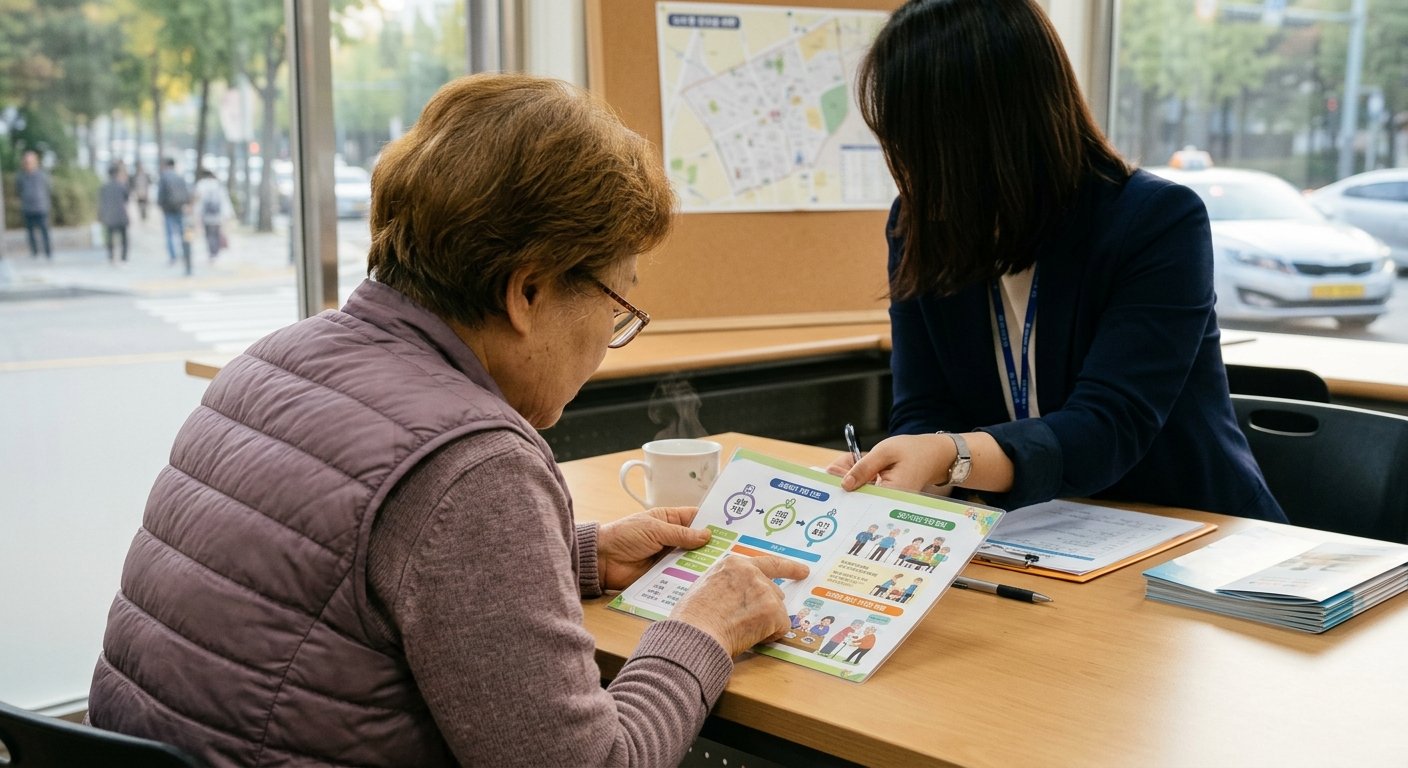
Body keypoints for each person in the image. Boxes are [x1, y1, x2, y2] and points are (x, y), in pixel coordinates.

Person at [87, 74, 809, 767]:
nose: (606, 340)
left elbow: (347, 571)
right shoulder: (473, 465)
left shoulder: (274, 362)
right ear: (528, 291)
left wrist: (578, 553)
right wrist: (702, 629)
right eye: (617, 305)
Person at [828, 0, 1286, 523]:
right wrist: (910, 465)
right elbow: (923, 407)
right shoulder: (920, 223)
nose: (904, 167)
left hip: (1191, 529)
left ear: (986, 133)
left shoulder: (1156, 221)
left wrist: (950, 456)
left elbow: (1107, 428)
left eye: (918, 145)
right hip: (1030, 532)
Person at [15, 150, 51, 259]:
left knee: (44, 230)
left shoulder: (42, 175)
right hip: (27, 207)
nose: (28, 164)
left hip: (41, 207)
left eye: (30, 161)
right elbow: (19, 190)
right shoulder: (21, 176)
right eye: (26, 162)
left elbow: (48, 188)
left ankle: (48, 252)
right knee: (30, 232)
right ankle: (34, 252)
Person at [156, 157, 189, 264]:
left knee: (169, 234)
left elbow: (161, 193)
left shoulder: (164, 177)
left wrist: (160, 205)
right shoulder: (179, 176)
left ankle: (173, 257)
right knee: (182, 233)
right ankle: (186, 254)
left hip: (168, 209)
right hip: (180, 208)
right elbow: (186, 192)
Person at [193, 169, 232, 259]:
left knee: (208, 234)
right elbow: (225, 201)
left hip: (206, 215)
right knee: (216, 233)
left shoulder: (201, 184)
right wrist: (227, 215)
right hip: (217, 216)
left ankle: (211, 252)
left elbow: (197, 200)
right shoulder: (219, 185)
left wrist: (196, 214)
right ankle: (215, 252)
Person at [97, 164, 130, 263]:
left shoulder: (104, 187)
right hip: (121, 215)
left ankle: (111, 257)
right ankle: (123, 258)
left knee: (110, 238)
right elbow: (126, 199)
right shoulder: (121, 186)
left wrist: (100, 216)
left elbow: (101, 202)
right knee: (124, 238)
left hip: (109, 216)